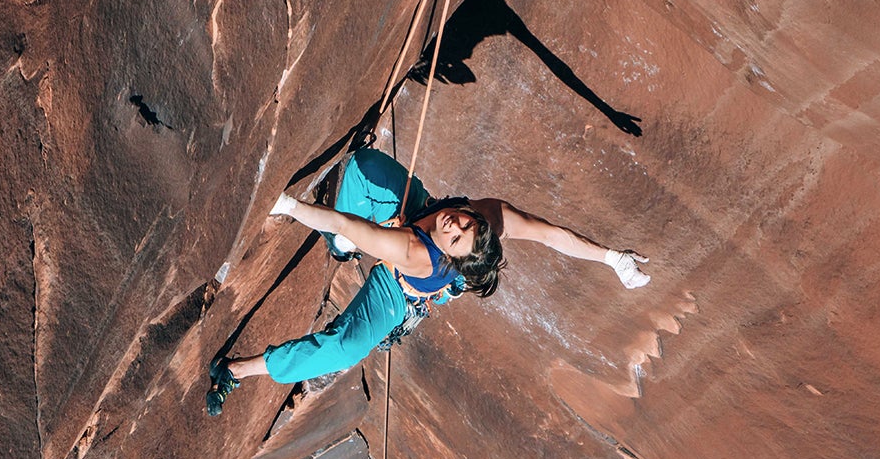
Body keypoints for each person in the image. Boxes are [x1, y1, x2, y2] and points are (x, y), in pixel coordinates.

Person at [206, 147, 650, 414]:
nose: (453, 226)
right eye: (465, 223)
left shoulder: (417, 255)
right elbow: (551, 234)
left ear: (454, 258)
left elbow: (353, 226)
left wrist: (290, 207)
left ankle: (234, 370)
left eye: (457, 238)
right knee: (363, 167)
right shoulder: (487, 217)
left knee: (345, 347)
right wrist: (612, 258)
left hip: (399, 290)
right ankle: (341, 246)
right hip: (414, 209)